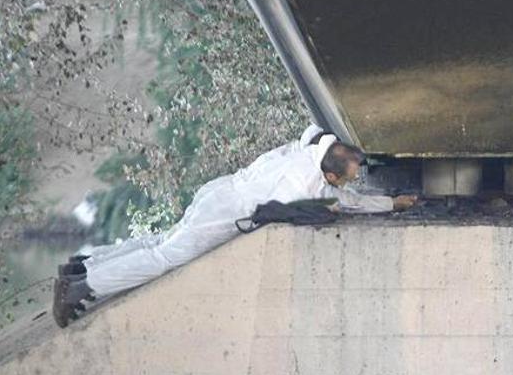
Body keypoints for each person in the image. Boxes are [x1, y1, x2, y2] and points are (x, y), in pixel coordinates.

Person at [53, 130, 417, 327]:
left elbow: (319, 145)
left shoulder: (312, 150)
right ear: (331, 174)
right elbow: (303, 207)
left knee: (164, 240)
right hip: (226, 212)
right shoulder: (304, 184)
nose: (349, 181)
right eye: (348, 177)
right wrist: (381, 205)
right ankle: (83, 288)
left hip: (219, 191)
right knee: (165, 257)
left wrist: (387, 202)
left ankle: (82, 267)